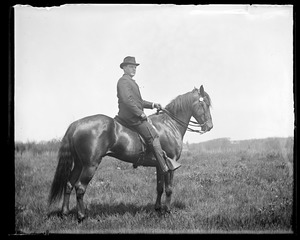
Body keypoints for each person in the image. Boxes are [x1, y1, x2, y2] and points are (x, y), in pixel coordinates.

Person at [116, 56, 180, 174]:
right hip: (130, 117)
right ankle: (164, 166)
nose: (134, 69)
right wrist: (140, 113)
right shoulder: (123, 81)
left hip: (132, 114)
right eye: (131, 67)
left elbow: (138, 101)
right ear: (124, 68)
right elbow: (127, 101)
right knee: (154, 135)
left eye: (135, 67)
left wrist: (153, 105)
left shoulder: (130, 82)